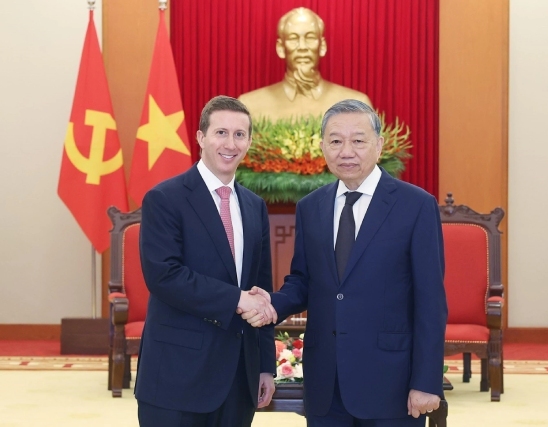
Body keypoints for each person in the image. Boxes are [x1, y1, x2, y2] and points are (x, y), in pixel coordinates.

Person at [242, 99, 448, 426]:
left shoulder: (416, 205)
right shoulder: (311, 207)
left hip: (391, 382)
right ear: (323, 147)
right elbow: (303, 282)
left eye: (358, 140)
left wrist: (426, 381)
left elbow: (430, 301)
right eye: (336, 141)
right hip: (326, 382)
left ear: (379, 145)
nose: (346, 151)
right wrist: (270, 304)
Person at [135, 95, 278, 427]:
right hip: (177, 375)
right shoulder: (164, 199)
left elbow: (261, 288)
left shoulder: (255, 206)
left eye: (239, 134)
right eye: (221, 133)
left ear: (249, 142)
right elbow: (164, 276)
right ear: (201, 138)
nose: (230, 143)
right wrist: (236, 299)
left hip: (238, 378)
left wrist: (264, 366)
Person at [238, 7, 372, 121]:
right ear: (280, 48)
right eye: (293, 38)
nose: (302, 47)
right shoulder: (250, 105)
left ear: (322, 46)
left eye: (310, 37)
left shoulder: (356, 105)